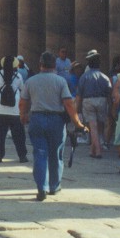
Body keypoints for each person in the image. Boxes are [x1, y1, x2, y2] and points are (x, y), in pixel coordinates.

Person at [20, 51, 88, 201]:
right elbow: (68, 103)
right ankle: (54, 186)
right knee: (56, 154)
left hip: (37, 118)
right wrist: (77, 122)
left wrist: (23, 115)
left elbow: (23, 101)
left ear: (40, 64)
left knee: (40, 153)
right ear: (54, 65)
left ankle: (41, 187)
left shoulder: (30, 81)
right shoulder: (60, 81)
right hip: (56, 120)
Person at [76, 50, 112, 159]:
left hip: (88, 101)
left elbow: (79, 95)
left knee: (93, 127)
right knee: (99, 127)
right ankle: (93, 149)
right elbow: (109, 93)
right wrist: (110, 107)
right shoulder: (105, 77)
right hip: (102, 100)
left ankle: (98, 151)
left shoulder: (84, 77)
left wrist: (77, 108)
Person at [0, 56, 28, 164]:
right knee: (18, 135)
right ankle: (22, 156)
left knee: (0, 136)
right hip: (15, 110)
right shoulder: (18, 76)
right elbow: (22, 89)